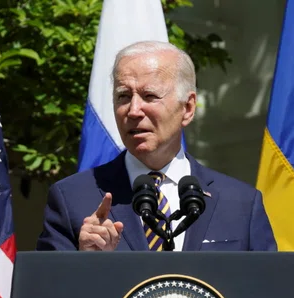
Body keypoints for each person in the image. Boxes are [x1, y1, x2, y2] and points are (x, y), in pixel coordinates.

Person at [36, 40, 276, 252]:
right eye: (123, 96)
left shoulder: (241, 203)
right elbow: (48, 297)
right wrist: (84, 261)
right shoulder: (73, 199)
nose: (133, 110)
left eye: (149, 96)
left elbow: (267, 297)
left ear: (188, 108)